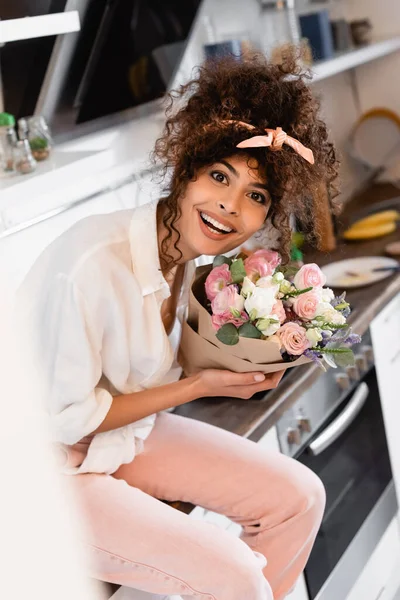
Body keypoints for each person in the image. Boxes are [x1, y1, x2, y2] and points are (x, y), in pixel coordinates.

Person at [18, 53, 338, 600]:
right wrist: (198, 386)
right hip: (41, 471)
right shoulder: (91, 262)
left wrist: (252, 358)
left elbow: (154, 367)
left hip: (121, 437)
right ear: (186, 169)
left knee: (299, 497)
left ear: (268, 216)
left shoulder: (190, 263)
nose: (229, 206)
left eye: (255, 196)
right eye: (220, 176)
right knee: (235, 577)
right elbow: (65, 423)